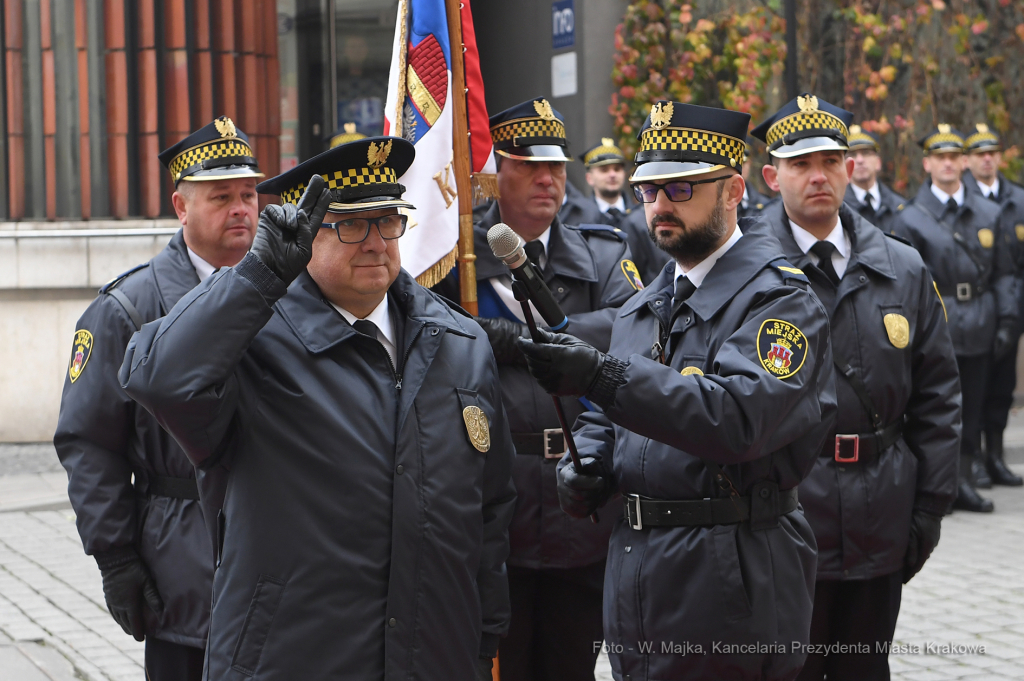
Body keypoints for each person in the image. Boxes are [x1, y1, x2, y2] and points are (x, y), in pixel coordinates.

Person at [120, 138, 517, 680]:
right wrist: (255, 276)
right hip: (294, 656)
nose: (377, 242)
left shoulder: (460, 342)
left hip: (434, 656)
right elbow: (156, 377)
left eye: (389, 220)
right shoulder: (252, 338)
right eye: (353, 225)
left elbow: (489, 511)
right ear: (305, 236)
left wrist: (482, 637)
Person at [517, 100, 838, 680]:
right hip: (640, 566)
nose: (661, 206)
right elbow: (608, 419)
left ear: (735, 189)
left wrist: (600, 376)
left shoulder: (780, 301)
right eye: (649, 190)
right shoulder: (644, 305)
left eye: (682, 188)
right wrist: (586, 460)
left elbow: (740, 417)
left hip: (732, 563)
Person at [752, 94, 961, 680]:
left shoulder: (902, 266)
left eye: (830, 160)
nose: (818, 176)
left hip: (880, 514)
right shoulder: (743, 269)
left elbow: (939, 397)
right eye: (800, 164)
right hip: (783, 518)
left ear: (851, 166)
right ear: (771, 176)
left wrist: (928, 510)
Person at [432, 98, 637, 681]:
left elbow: (631, 332)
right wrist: (480, 333)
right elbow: (423, 339)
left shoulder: (600, 254)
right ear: (495, 172)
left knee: (571, 663)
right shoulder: (454, 265)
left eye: (555, 167)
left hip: (581, 497)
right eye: (527, 166)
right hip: (492, 504)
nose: (547, 179)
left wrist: (520, 339)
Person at [53, 116, 264, 681]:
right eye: (221, 197)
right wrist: (115, 557)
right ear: (180, 206)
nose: (242, 208)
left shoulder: (287, 291)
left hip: (277, 559)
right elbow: (88, 442)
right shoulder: (127, 309)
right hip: (183, 559)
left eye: (249, 193)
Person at [893, 125, 1016, 512]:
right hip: (936, 322)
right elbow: (905, 281)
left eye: (954, 157)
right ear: (927, 163)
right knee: (935, 408)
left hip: (981, 318)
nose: (947, 164)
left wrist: (1008, 319)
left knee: (974, 406)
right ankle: (936, 485)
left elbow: (1004, 272)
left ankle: (963, 480)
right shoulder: (911, 217)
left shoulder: (990, 212)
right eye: (939, 157)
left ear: (964, 162)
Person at [963, 123, 1024, 487]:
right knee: (975, 390)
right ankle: (973, 463)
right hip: (977, 311)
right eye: (980, 153)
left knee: (1002, 386)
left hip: (1011, 307)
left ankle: (996, 456)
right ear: (969, 160)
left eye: (992, 152)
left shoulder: (1018, 199)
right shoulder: (964, 200)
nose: (987, 159)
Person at [580, 137, 670, 283]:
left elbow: (658, 264)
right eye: (604, 170)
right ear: (589, 178)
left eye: (617, 169)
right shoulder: (580, 217)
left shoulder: (643, 215)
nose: (612, 174)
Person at [843, 125, 907, 233]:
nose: (859, 160)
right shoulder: (839, 208)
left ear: (878, 162)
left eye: (866, 153)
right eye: (852, 154)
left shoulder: (899, 206)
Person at [738, 137, 773, 220]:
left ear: (749, 163)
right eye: (734, 164)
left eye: (742, 163)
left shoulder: (765, 203)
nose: (738, 168)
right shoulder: (715, 202)